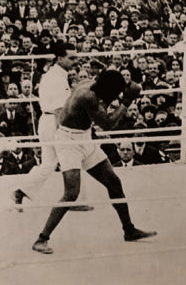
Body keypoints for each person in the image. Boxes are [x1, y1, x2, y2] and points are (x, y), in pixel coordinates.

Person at [32, 70, 157, 254]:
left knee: (114, 182)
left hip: (84, 137)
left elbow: (101, 108)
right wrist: (127, 101)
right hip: (68, 142)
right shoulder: (87, 96)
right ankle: (41, 239)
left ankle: (129, 230)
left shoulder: (92, 85)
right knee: (71, 193)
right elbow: (108, 123)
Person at [11, 41, 93, 211]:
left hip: (50, 121)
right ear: (60, 58)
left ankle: (20, 192)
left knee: (50, 164)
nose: (75, 61)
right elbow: (58, 110)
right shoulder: (56, 78)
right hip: (54, 122)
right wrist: (63, 132)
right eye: (71, 58)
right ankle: (72, 200)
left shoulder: (58, 75)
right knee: (67, 159)